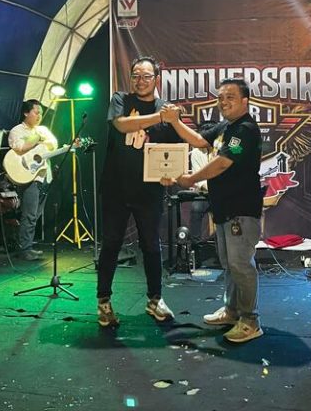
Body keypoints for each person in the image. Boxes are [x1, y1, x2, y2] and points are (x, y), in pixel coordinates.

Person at [162, 78, 264, 343]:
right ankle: (232, 311)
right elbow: (199, 141)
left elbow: (222, 163)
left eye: (230, 97)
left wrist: (191, 179)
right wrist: (175, 121)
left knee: (241, 265)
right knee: (230, 264)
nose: (224, 102)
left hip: (241, 209)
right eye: (220, 97)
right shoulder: (226, 127)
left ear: (245, 101)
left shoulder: (244, 129)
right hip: (224, 207)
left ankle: (250, 320)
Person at [96, 56, 181, 327]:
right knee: (111, 244)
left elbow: (173, 150)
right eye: (136, 75)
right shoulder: (120, 99)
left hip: (149, 191)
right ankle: (103, 301)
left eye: (146, 76)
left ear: (156, 78)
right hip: (116, 189)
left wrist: (170, 173)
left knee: (152, 246)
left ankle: (155, 299)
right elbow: (121, 124)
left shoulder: (165, 109)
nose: (140, 81)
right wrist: (160, 117)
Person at [7, 99, 58, 261]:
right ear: (26, 113)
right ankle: (24, 249)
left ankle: (27, 245)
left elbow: (53, 144)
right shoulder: (17, 131)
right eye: (36, 112)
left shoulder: (42, 129)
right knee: (29, 214)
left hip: (44, 175)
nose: (39, 116)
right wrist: (37, 138)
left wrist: (40, 138)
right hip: (28, 176)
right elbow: (20, 147)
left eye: (41, 113)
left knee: (36, 214)